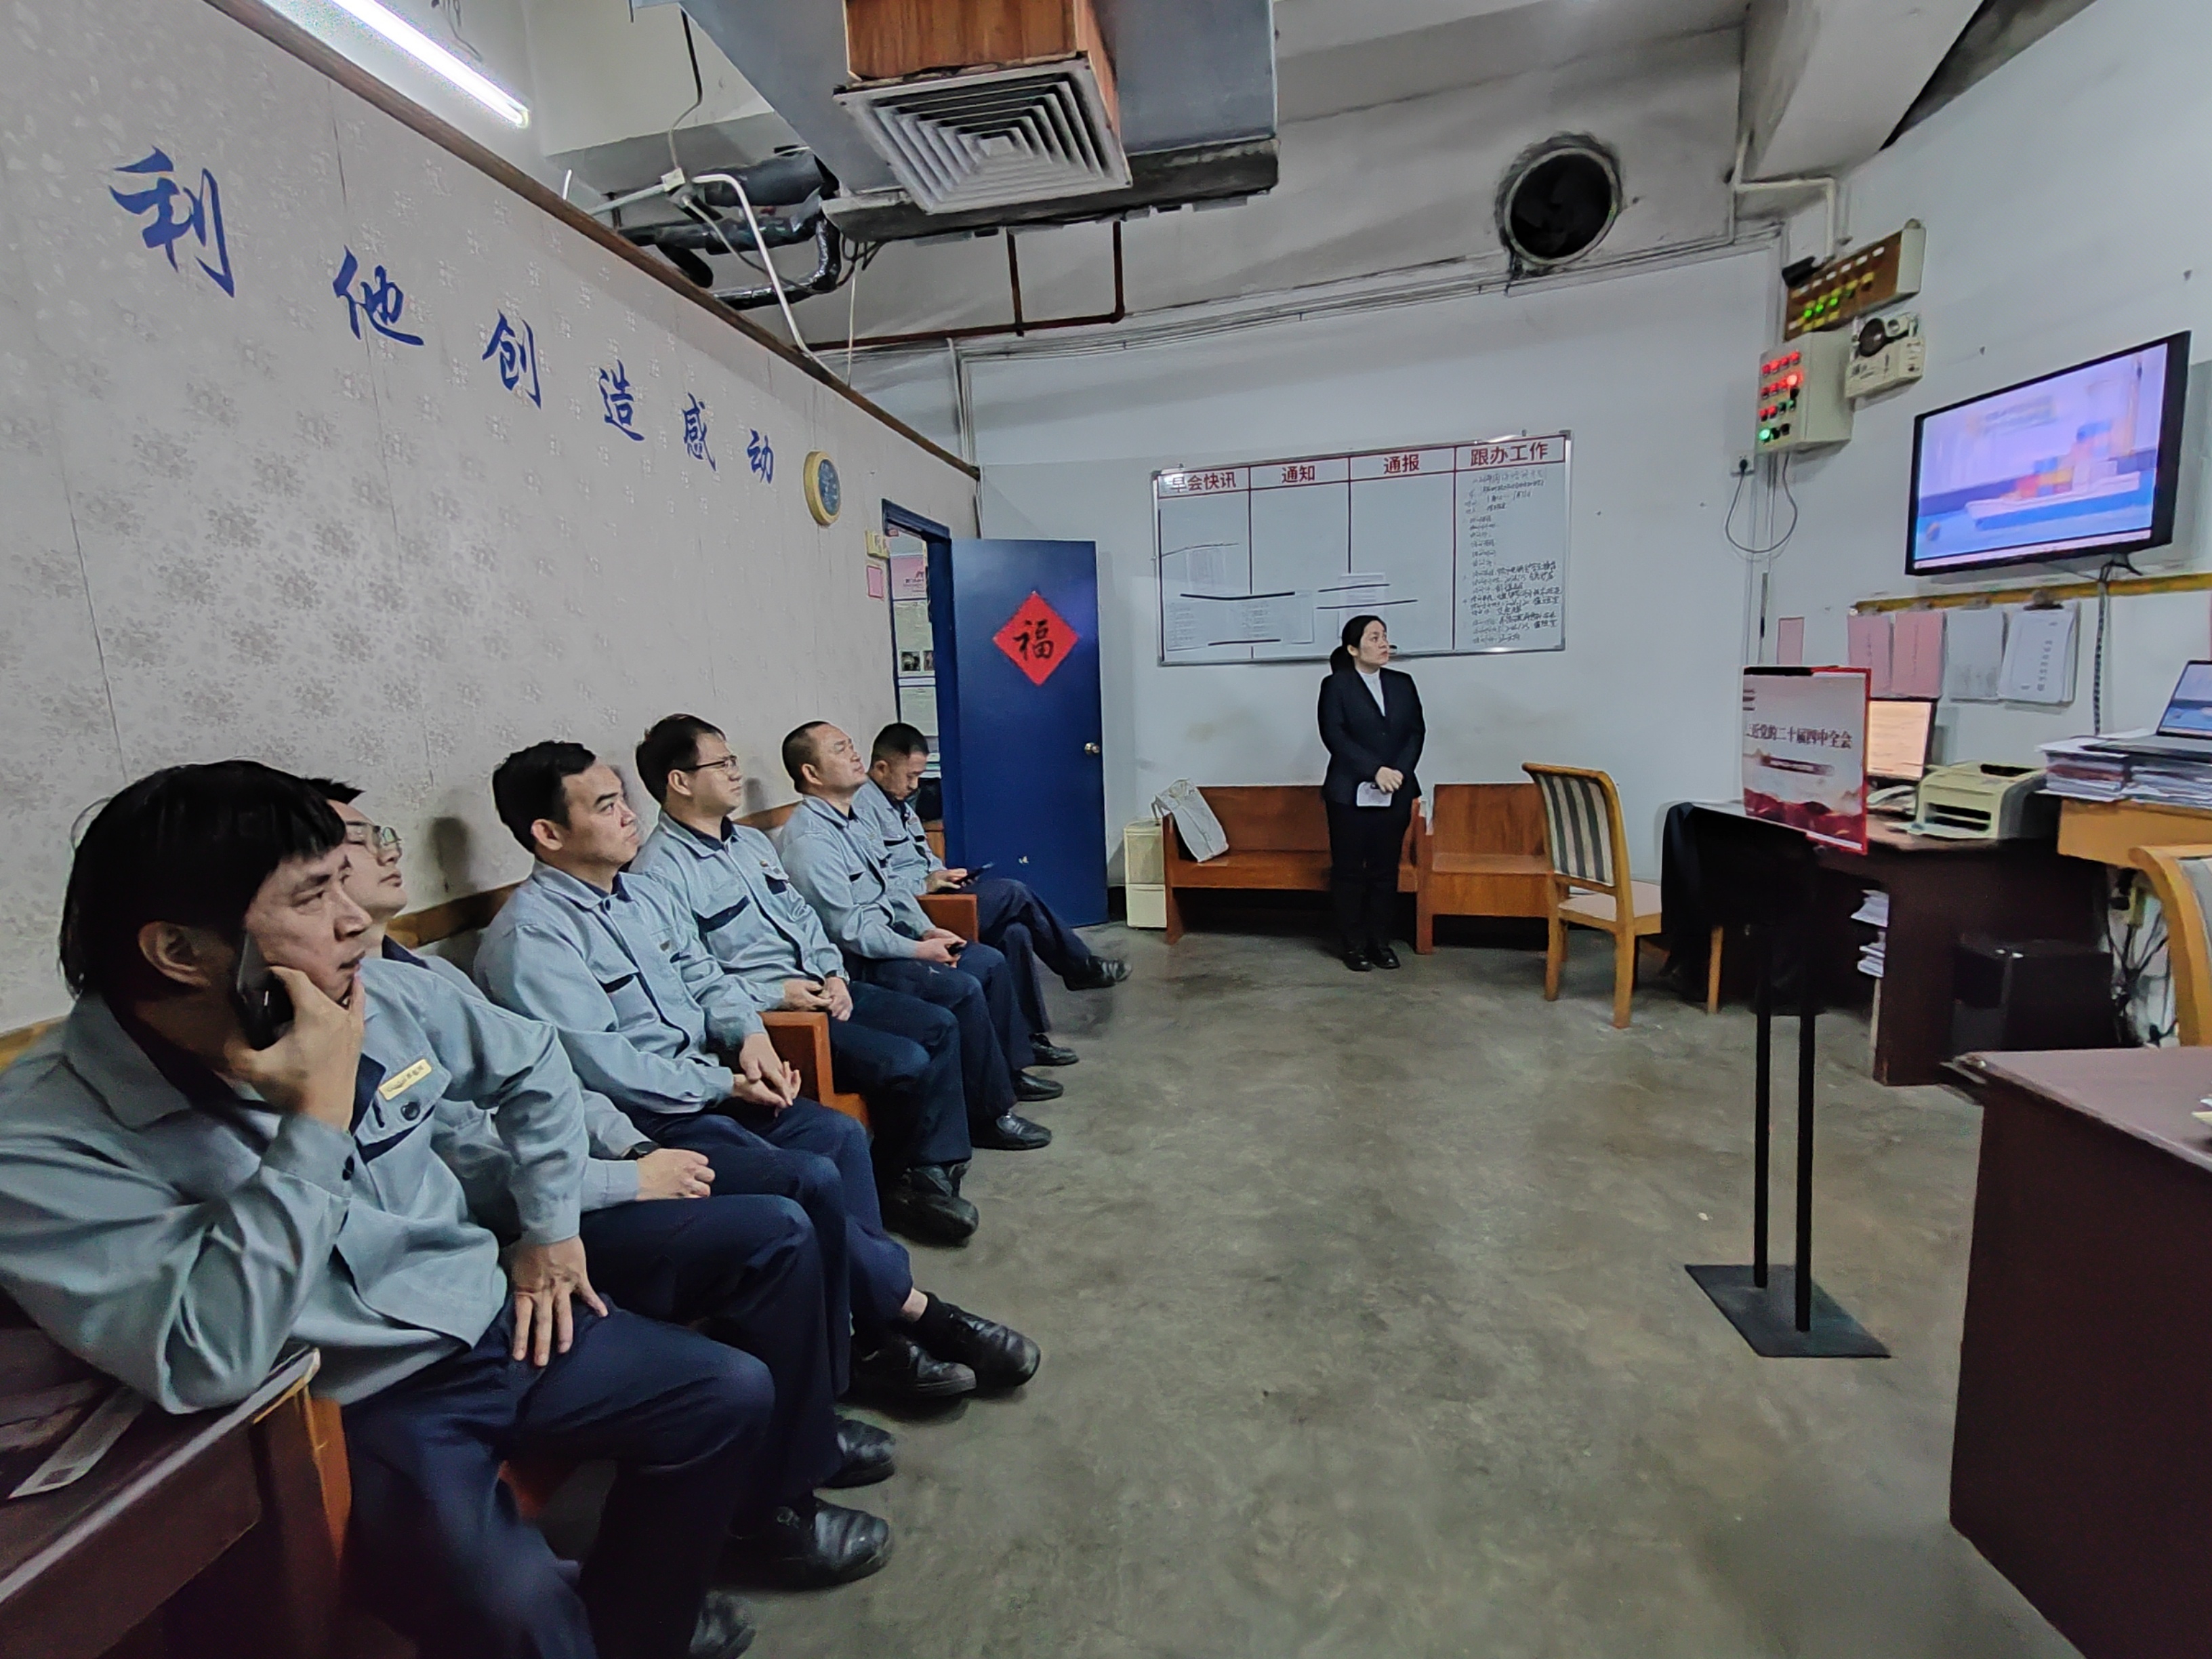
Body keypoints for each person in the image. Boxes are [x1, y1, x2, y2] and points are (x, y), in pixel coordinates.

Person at [0, 762, 762, 1659]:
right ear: (178, 951)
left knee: (727, 1393)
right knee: (511, 1604)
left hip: (490, 1313)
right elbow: (203, 1359)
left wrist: (551, 1231)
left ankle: (631, 1634)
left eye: (344, 881)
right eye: (313, 897)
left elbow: (533, 1064)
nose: (356, 919)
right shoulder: (43, 1139)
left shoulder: (378, 986)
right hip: (358, 1398)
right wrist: (314, 1120)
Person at [311, 778, 897, 1586]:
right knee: (783, 1211)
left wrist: (643, 1140)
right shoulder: (507, 946)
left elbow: (551, 1078)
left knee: (817, 1162)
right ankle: (794, 1467)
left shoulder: (416, 978)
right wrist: (625, 1176)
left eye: (380, 832)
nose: (385, 850)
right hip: (523, 1225)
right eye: (351, 843)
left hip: (593, 1164)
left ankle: (822, 1414)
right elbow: (464, 1167)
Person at [472, 742, 1038, 1405]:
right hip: (644, 1124)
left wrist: (751, 1037)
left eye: (623, 798)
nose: (629, 815)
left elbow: (707, 977)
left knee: (836, 1136)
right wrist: (723, 1083)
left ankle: (863, 1326)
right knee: (806, 1177)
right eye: (605, 806)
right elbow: (607, 1068)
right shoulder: (532, 939)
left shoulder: (638, 896)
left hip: (709, 1080)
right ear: (548, 833)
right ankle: (907, 1315)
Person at [621, 717, 981, 1214]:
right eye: (721, 763)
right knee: (904, 1061)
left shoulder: (749, 844)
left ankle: (931, 1166)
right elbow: (692, 979)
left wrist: (833, 972)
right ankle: (897, 1185)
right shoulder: (658, 874)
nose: (735, 772)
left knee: (939, 1024)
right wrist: (778, 995)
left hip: (824, 987)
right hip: (776, 1016)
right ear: (680, 781)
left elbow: (803, 918)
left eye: (732, 760)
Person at [777, 722, 1059, 1144]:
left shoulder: (854, 821)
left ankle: (1007, 1075)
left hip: (890, 939)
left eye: (851, 744)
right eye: (839, 749)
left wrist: (928, 930)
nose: (854, 754)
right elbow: (849, 931)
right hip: (861, 961)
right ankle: (989, 1116)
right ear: (811, 773)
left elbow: (892, 887)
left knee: (988, 959)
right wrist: (919, 950)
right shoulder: (810, 842)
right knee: (961, 988)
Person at [857, 722, 1126, 1070]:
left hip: (936, 896)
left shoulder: (900, 805)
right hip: (916, 912)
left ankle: (1027, 1042)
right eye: (910, 776)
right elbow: (882, 883)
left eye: (919, 776)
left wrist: (944, 875)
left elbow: (921, 858)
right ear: (881, 768)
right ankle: (1079, 967)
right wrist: (926, 884)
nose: (914, 785)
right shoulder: (862, 810)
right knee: (1014, 892)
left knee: (1015, 933)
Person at [1317, 613, 1425, 972]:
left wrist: (1399, 772)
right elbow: (1335, 736)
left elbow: (1415, 732)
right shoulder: (1336, 686)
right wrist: (1374, 770)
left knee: (1385, 870)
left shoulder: (1402, 683)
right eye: (1374, 638)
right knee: (1349, 871)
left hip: (1396, 790)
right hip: (1349, 794)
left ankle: (1381, 943)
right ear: (1353, 649)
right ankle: (1353, 945)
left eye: (1385, 637)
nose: (1383, 644)